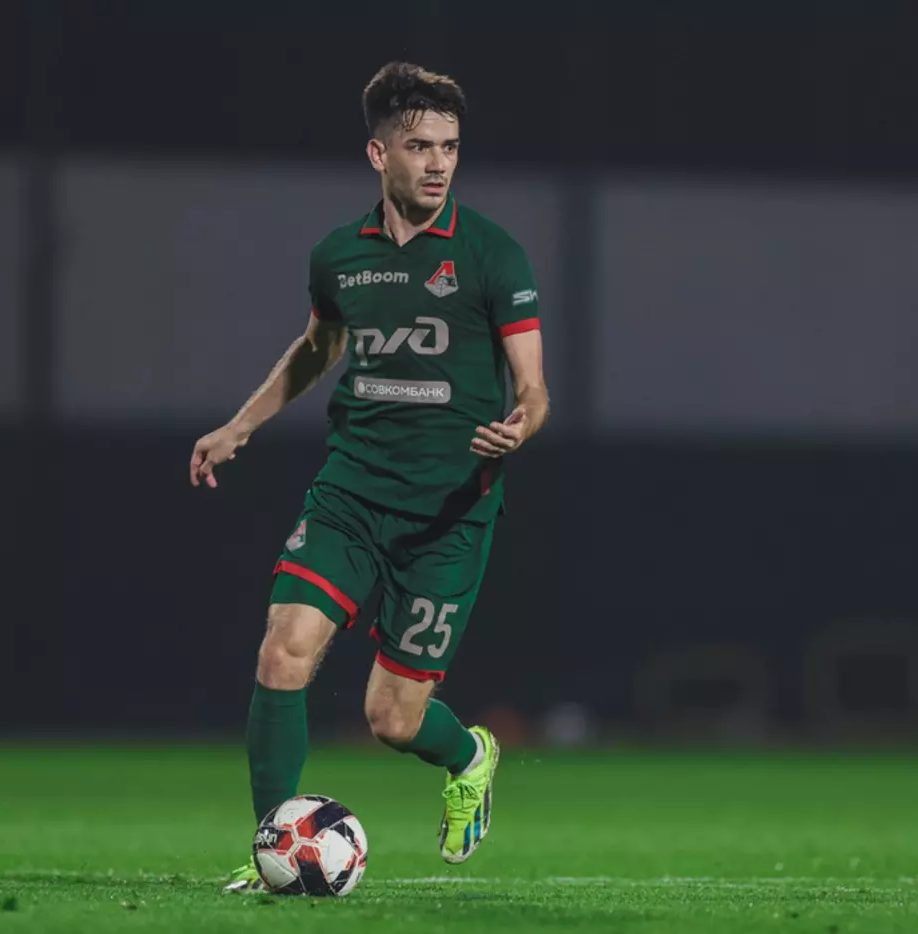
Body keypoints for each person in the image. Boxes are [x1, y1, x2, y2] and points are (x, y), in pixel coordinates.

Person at [188, 61, 549, 888]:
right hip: (351, 494)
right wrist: (240, 424)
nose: (438, 163)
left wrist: (522, 423)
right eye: (420, 146)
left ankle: (470, 756)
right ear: (378, 154)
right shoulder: (340, 257)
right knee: (283, 652)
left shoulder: (493, 254)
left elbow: (534, 387)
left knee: (391, 719)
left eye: (450, 147)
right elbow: (317, 349)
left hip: (448, 516)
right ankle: (274, 849)